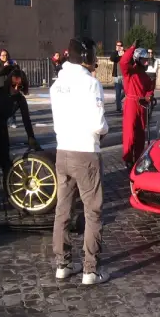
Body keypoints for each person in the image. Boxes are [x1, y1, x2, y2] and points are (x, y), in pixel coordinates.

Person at [51, 37, 110, 285]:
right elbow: (98, 123)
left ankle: (62, 264)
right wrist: (103, 131)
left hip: (62, 150)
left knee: (62, 210)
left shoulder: (57, 84)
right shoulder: (90, 84)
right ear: (86, 56)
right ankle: (90, 269)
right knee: (92, 211)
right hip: (85, 151)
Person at [0, 68, 40, 212]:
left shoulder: (20, 99)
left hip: (1, 129)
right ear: (8, 83)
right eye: (14, 85)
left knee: (6, 164)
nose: (16, 89)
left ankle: (9, 194)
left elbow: (26, 119)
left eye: (20, 87)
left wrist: (31, 138)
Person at [121, 41, 155, 169]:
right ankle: (128, 158)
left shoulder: (145, 76)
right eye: (144, 60)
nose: (146, 63)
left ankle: (139, 157)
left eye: (147, 60)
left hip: (142, 105)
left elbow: (149, 89)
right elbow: (123, 62)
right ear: (138, 59)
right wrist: (132, 48)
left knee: (141, 133)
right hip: (131, 103)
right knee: (130, 134)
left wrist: (149, 96)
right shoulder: (130, 71)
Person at [0, 49, 18, 128]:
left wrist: (16, 65)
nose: (5, 57)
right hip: (1, 86)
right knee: (1, 104)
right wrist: (4, 66)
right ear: (0, 56)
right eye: (3, 55)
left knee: (12, 104)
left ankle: (12, 121)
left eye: (6, 55)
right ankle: (2, 121)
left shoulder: (11, 62)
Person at [110, 41, 125, 113]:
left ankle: (119, 99)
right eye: (117, 45)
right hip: (117, 75)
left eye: (120, 45)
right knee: (117, 92)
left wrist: (123, 52)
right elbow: (112, 58)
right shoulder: (115, 54)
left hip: (124, 75)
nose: (119, 46)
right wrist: (117, 52)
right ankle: (118, 107)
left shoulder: (124, 53)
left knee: (127, 90)